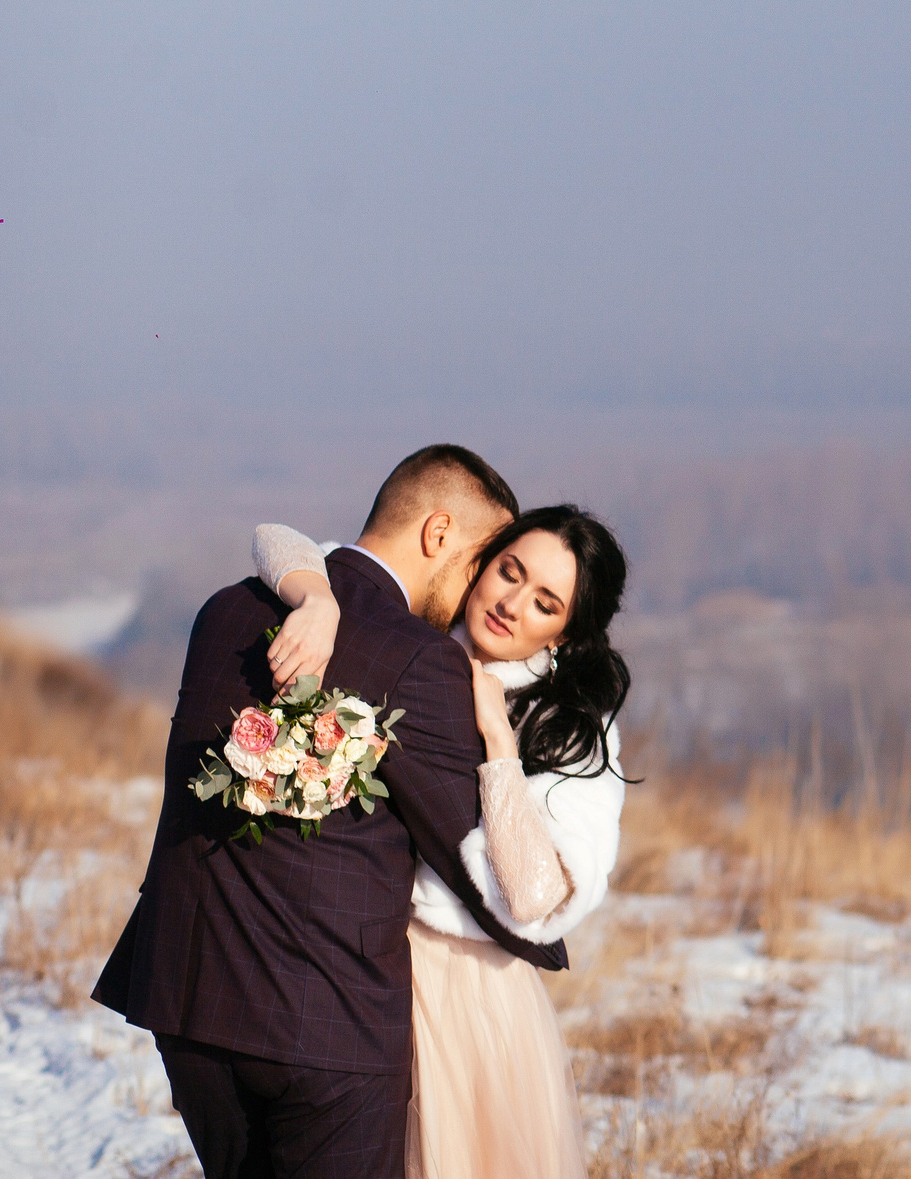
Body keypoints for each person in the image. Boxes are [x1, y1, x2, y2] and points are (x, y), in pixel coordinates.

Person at [94, 444, 564, 1179]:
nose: (479, 591)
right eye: (481, 560)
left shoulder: (225, 610)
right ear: (439, 534)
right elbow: (475, 860)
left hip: (185, 999)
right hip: (323, 1035)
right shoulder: (420, 658)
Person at [256, 502, 631, 1179]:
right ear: (483, 560)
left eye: (545, 602)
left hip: (468, 996)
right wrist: (318, 603)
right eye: (510, 572)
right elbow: (277, 537)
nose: (512, 604)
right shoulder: (415, 630)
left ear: (566, 634)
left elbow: (536, 894)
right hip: (353, 965)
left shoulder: (575, 727)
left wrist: (498, 740)